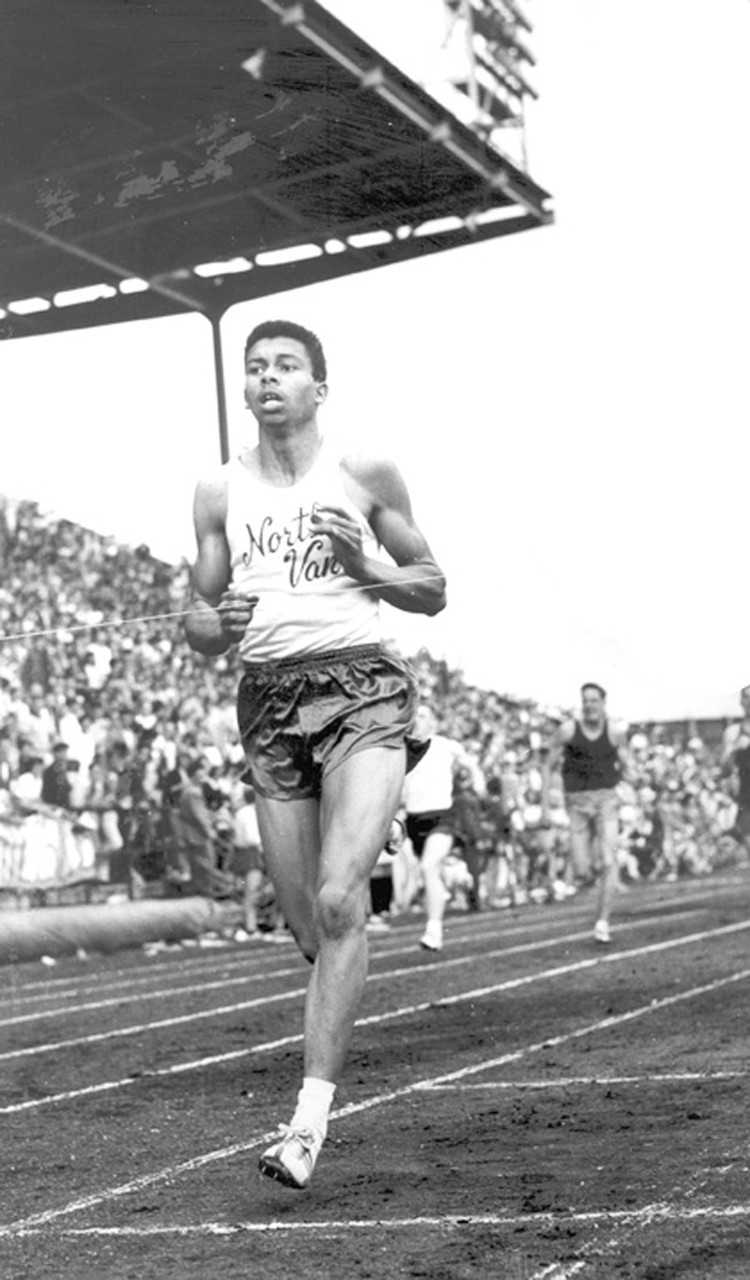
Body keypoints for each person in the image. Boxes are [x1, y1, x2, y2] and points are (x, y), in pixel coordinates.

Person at [184, 319, 446, 1189]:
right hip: (267, 701)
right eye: (255, 367)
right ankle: (369, 845)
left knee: (341, 901)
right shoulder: (217, 492)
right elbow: (199, 617)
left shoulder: (362, 472)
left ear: (317, 388)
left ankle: (306, 1125)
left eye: (286, 366)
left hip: (361, 688)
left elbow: (433, 588)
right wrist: (207, 628)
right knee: (307, 924)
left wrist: (362, 565)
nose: (267, 378)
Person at [553, 683, 629, 944]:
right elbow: (547, 765)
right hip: (577, 804)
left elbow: (627, 765)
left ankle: (603, 921)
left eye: (594, 700)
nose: (589, 705)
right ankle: (591, 866)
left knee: (609, 861)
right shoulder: (567, 731)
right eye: (585, 700)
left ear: (603, 703)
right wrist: (544, 805)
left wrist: (630, 784)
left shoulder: (615, 732)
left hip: (606, 800)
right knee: (583, 870)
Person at [401, 704, 481, 952]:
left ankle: (433, 930)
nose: (417, 719)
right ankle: (457, 874)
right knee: (429, 871)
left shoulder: (446, 745)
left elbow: (471, 764)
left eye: (423, 715)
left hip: (442, 816)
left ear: (433, 723)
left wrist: (479, 785)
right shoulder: (401, 747)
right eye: (414, 715)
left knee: (428, 867)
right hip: (414, 819)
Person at [721, 684, 750, 856]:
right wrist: (732, 750)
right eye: (746, 696)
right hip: (746, 793)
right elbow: (724, 769)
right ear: (741, 701)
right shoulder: (733, 732)